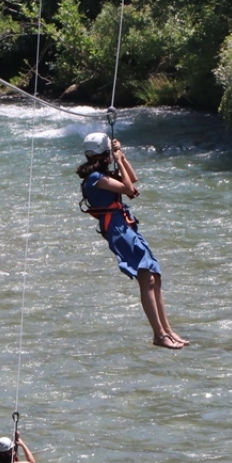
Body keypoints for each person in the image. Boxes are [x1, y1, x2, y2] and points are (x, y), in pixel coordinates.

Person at [77, 131, 188, 349]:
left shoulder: (102, 176)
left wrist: (123, 158)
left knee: (154, 276)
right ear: (104, 153)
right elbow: (128, 189)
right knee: (146, 278)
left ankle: (167, 331)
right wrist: (117, 159)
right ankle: (159, 335)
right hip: (117, 229)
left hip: (125, 225)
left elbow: (132, 179)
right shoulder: (95, 179)